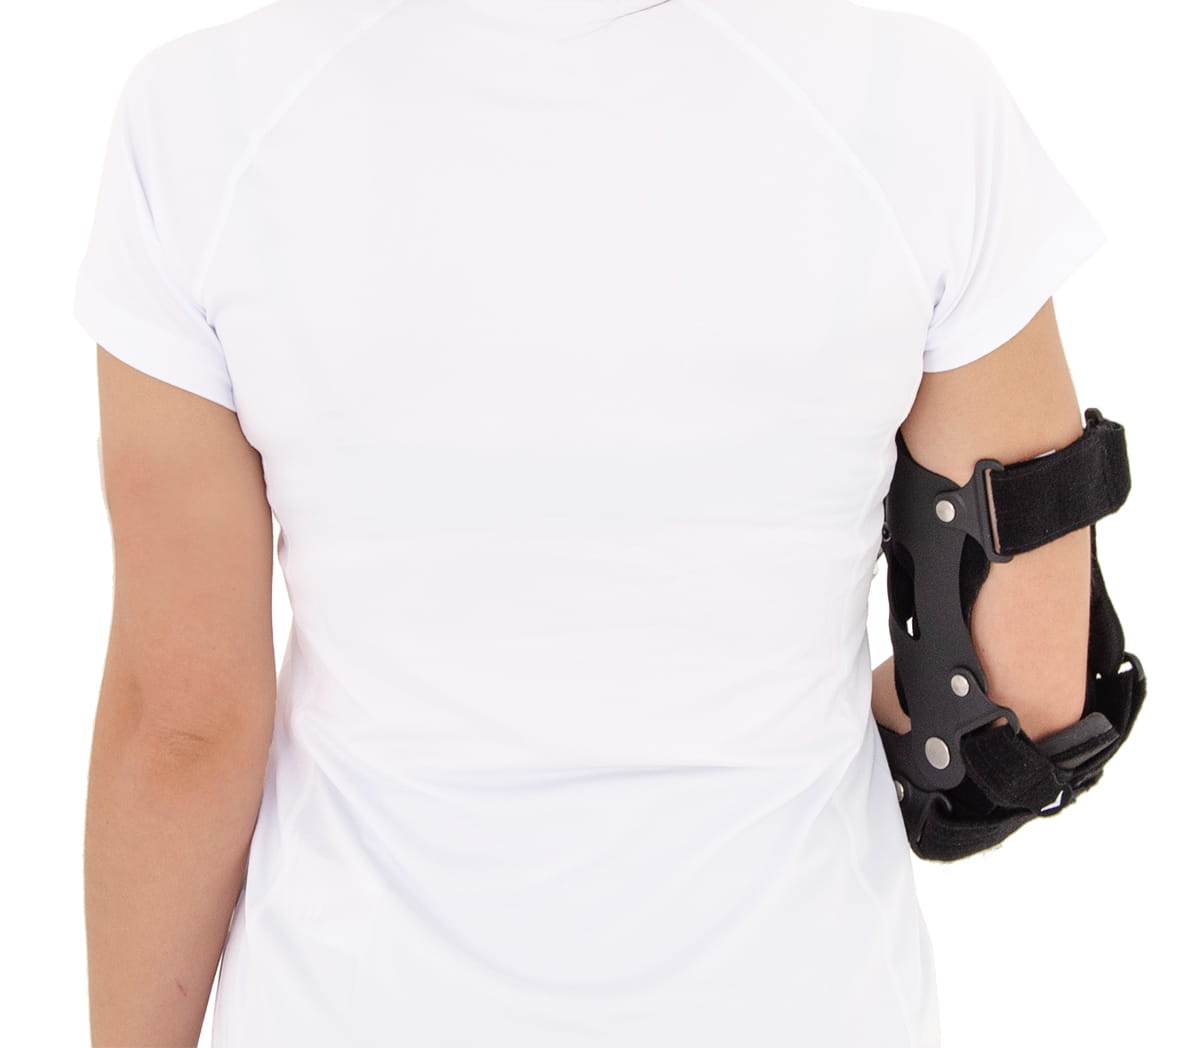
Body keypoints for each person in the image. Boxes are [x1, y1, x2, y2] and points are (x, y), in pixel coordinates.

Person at [73, 1, 1107, 1045]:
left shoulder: (204, 118)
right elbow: (1022, 686)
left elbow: (182, 726)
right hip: (800, 998)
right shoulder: (920, 98)